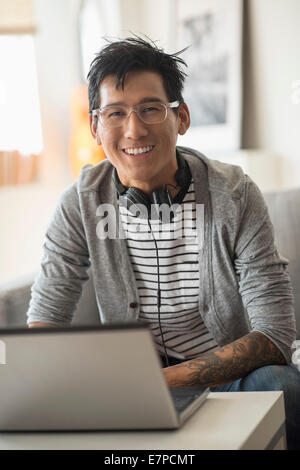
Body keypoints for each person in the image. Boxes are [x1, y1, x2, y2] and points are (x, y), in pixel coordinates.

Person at [27, 37, 300, 449]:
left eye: (151, 108)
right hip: (129, 388)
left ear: (182, 117)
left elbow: (275, 335)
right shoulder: (81, 203)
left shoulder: (235, 195)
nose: (134, 129)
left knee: (281, 384)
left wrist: (161, 381)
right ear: (96, 128)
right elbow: (45, 321)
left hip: (226, 379)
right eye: (116, 113)